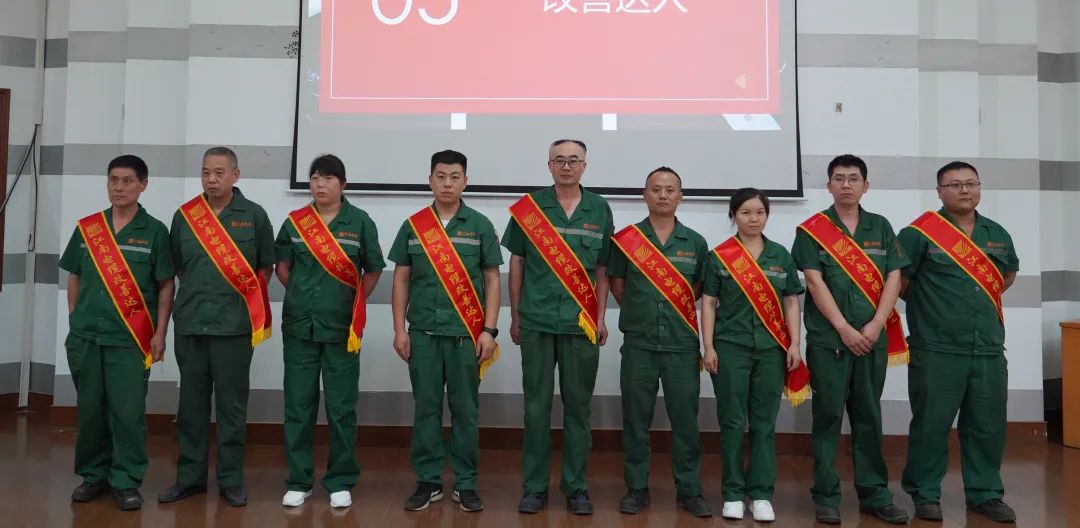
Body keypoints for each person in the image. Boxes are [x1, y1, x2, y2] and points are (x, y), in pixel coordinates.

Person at [790, 154, 910, 525]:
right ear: (828, 185)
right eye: (839, 178)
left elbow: (894, 277)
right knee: (827, 418)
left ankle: (875, 494)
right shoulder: (812, 230)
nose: (846, 184)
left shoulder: (881, 226)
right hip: (830, 340)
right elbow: (814, 282)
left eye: (853, 178)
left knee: (869, 416)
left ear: (865, 185)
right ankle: (826, 496)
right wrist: (843, 327)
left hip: (872, 339)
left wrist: (875, 325)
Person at [898, 161, 1018, 523]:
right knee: (931, 425)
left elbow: (1005, 276)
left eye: (971, 183)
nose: (964, 190)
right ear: (939, 192)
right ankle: (924, 493)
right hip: (937, 349)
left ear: (979, 187)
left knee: (987, 426)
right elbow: (900, 283)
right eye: (954, 185)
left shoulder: (997, 233)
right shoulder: (919, 234)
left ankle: (985, 494)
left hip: (988, 349)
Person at [157, 147, 276, 508]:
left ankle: (230, 480)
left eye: (220, 172)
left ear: (235, 175)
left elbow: (265, 268)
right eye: (206, 172)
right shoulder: (185, 217)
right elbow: (179, 266)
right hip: (191, 325)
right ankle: (190, 477)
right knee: (190, 407)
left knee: (231, 408)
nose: (211, 179)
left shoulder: (254, 216)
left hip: (234, 328)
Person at [502, 139, 614, 515]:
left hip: (580, 324)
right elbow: (517, 263)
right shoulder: (530, 208)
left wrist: (600, 317)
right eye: (560, 160)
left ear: (585, 166)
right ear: (549, 165)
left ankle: (576, 487)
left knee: (578, 408)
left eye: (574, 160)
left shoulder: (599, 208)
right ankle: (534, 487)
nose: (567, 166)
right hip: (536, 320)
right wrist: (516, 315)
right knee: (536, 408)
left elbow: (602, 269)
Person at [388, 150, 502, 513]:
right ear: (430, 180)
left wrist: (489, 330)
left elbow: (492, 279)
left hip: (466, 335)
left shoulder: (480, 225)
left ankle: (465, 483)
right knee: (426, 408)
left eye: (455, 177)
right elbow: (401, 279)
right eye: (441, 176)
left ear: (465, 181)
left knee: (466, 410)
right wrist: (399, 330)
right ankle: (428, 480)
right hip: (422, 333)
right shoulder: (414, 225)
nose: (447, 183)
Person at [60, 154, 175, 511]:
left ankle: (125, 480)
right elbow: (75, 276)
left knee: (127, 413)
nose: (119, 187)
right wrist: (74, 319)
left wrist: (160, 333)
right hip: (87, 337)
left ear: (143, 185)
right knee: (90, 411)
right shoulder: (89, 228)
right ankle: (93, 475)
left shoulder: (155, 231)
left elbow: (165, 285)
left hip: (129, 340)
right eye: (113, 180)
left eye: (127, 181)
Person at [274, 154, 385, 508]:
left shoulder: (360, 222)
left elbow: (373, 270)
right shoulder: (296, 222)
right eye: (314, 178)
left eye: (328, 178)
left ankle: (340, 479)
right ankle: (299, 480)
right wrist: (304, 296)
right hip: (299, 329)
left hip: (341, 331)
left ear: (343, 184)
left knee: (341, 408)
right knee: (298, 406)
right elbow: (282, 268)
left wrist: (353, 304)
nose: (320, 184)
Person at [608, 167, 712, 518]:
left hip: (681, 345)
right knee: (636, 420)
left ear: (680, 196)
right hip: (639, 344)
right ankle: (636, 487)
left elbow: (698, 289)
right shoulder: (627, 240)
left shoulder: (695, 243)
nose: (663, 195)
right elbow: (618, 286)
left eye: (670, 189)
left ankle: (689, 489)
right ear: (644, 195)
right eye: (656, 189)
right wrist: (642, 314)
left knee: (686, 421)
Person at [701, 187, 805, 523]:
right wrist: (708, 346)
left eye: (759, 212)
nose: (753, 219)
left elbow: (791, 301)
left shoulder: (780, 255)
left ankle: (761, 493)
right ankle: (732, 493)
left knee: (764, 423)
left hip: (771, 351)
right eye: (745, 212)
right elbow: (709, 303)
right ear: (734, 215)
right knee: (732, 422)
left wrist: (794, 343)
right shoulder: (720, 256)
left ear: (767, 215)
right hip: (730, 348)